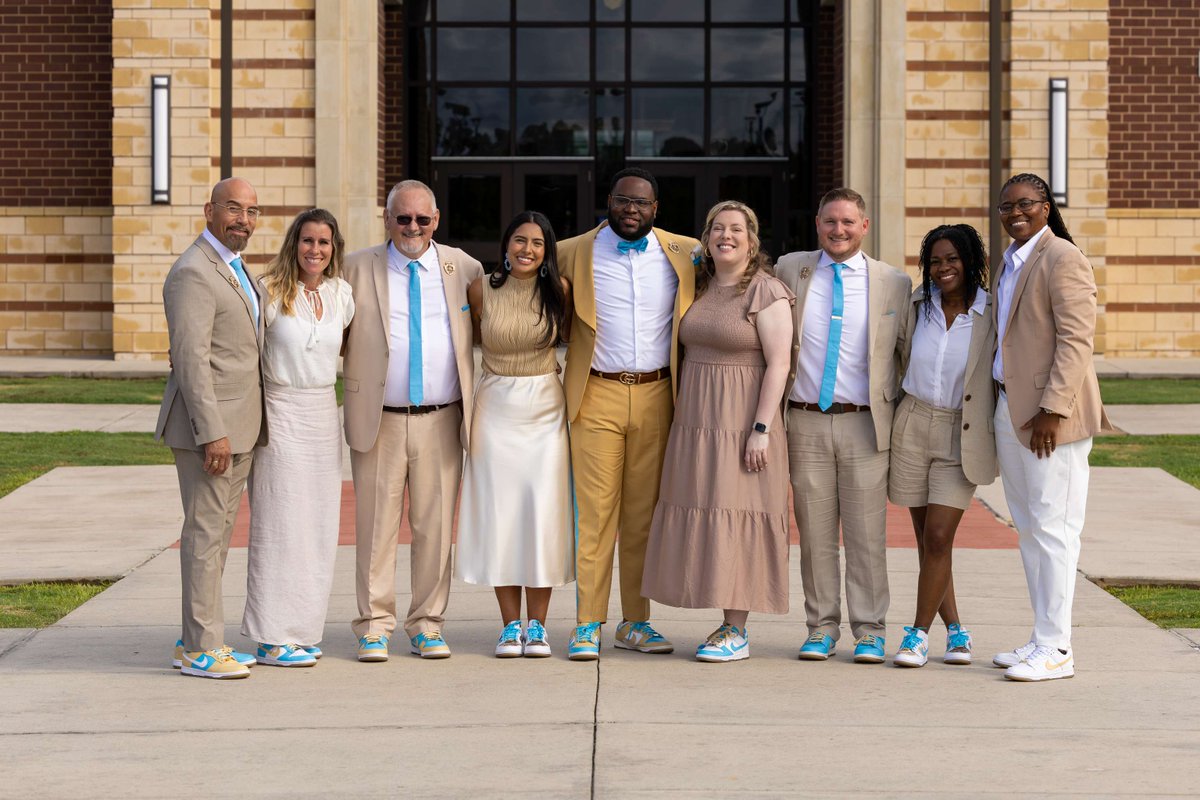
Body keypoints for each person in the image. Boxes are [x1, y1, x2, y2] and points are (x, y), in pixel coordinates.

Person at [641, 201, 794, 662]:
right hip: (696, 423)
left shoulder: (766, 291)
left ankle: (736, 629)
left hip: (743, 421)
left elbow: (781, 363)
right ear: (706, 239)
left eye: (736, 229)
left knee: (741, 514)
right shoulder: (698, 287)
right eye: (717, 229)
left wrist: (761, 429)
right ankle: (721, 622)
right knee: (707, 513)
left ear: (752, 239)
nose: (726, 236)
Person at [557, 167, 700, 661]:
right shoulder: (571, 250)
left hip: (660, 393)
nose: (631, 209)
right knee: (593, 515)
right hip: (596, 394)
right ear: (609, 202)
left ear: (656, 208)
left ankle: (635, 622)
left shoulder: (685, 252)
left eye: (641, 203)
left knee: (643, 517)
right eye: (623, 200)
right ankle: (586, 624)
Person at [341, 180, 484, 662]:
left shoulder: (463, 267)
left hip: (442, 420)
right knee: (375, 527)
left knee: (435, 529)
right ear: (387, 219)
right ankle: (374, 625)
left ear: (436, 220)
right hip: (378, 419)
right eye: (403, 218)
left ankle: (426, 623)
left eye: (422, 219)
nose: (413, 227)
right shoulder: (356, 267)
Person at [776, 187, 912, 664]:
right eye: (830, 221)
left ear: (865, 226)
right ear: (818, 223)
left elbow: (906, 355)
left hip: (864, 424)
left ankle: (871, 630)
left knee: (866, 535)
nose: (839, 230)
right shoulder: (791, 269)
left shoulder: (893, 282)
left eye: (848, 222)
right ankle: (821, 627)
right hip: (805, 421)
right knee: (813, 535)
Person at [989, 173, 1109, 682]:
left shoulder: (1062, 257)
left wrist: (1053, 411)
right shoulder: (1012, 261)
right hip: (1010, 410)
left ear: (1045, 207)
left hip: (1047, 418)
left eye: (1026, 204)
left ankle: (1058, 648)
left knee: (1055, 530)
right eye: (1007, 206)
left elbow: (1077, 341)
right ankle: (1042, 637)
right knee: (1032, 530)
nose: (1015, 212)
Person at [156, 177, 267, 679]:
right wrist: (212, 432)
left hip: (240, 426)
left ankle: (194, 640)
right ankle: (203, 649)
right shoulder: (193, 272)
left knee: (218, 536)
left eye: (251, 211)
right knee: (204, 535)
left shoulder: (235, 269)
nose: (243, 219)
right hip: (211, 431)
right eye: (233, 208)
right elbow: (190, 361)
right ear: (209, 210)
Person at [455, 211, 575, 658]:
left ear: (547, 252)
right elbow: (462, 345)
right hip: (495, 406)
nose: (527, 249)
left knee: (541, 512)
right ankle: (510, 627)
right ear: (506, 245)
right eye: (519, 240)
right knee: (501, 514)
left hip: (545, 406)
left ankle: (539, 626)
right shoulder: (480, 289)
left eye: (537, 243)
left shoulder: (560, 291)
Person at [240, 208, 354, 668]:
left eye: (324, 242)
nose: (315, 250)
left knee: (318, 525)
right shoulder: (267, 290)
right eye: (308, 241)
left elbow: (346, 347)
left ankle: (302, 629)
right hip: (280, 412)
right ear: (295, 244)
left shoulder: (342, 293)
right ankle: (271, 635)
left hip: (324, 415)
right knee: (279, 524)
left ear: (334, 248)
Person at [888, 224, 997, 668]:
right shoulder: (918, 304)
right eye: (935, 261)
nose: (943, 268)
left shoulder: (992, 311)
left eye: (952, 259)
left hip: (961, 431)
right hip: (912, 422)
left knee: (938, 535)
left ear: (970, 260)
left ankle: (916, 634)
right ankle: (956, 630)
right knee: (927, 540)